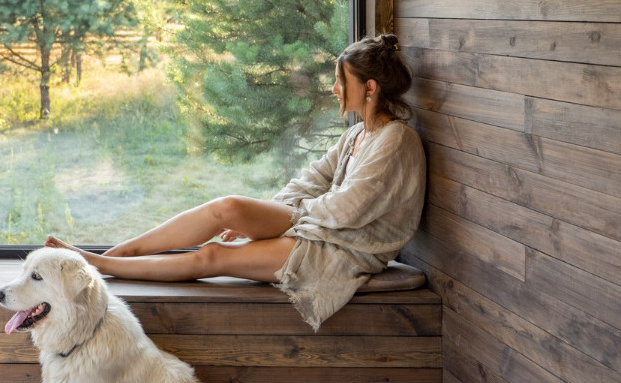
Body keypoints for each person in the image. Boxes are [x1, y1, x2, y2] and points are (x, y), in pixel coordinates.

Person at [46, 33, 426, 330]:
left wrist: (286, 219)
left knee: (212, 257)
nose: (334, 89)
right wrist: (264, 217)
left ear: (370, 88)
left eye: (342, 81)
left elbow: (350, 208)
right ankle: (116, 254)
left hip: (343, 248)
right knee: (227, 209)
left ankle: (95, 264)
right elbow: (311, 180)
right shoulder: (357, 135)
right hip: (319, 228)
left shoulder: (396, 139)